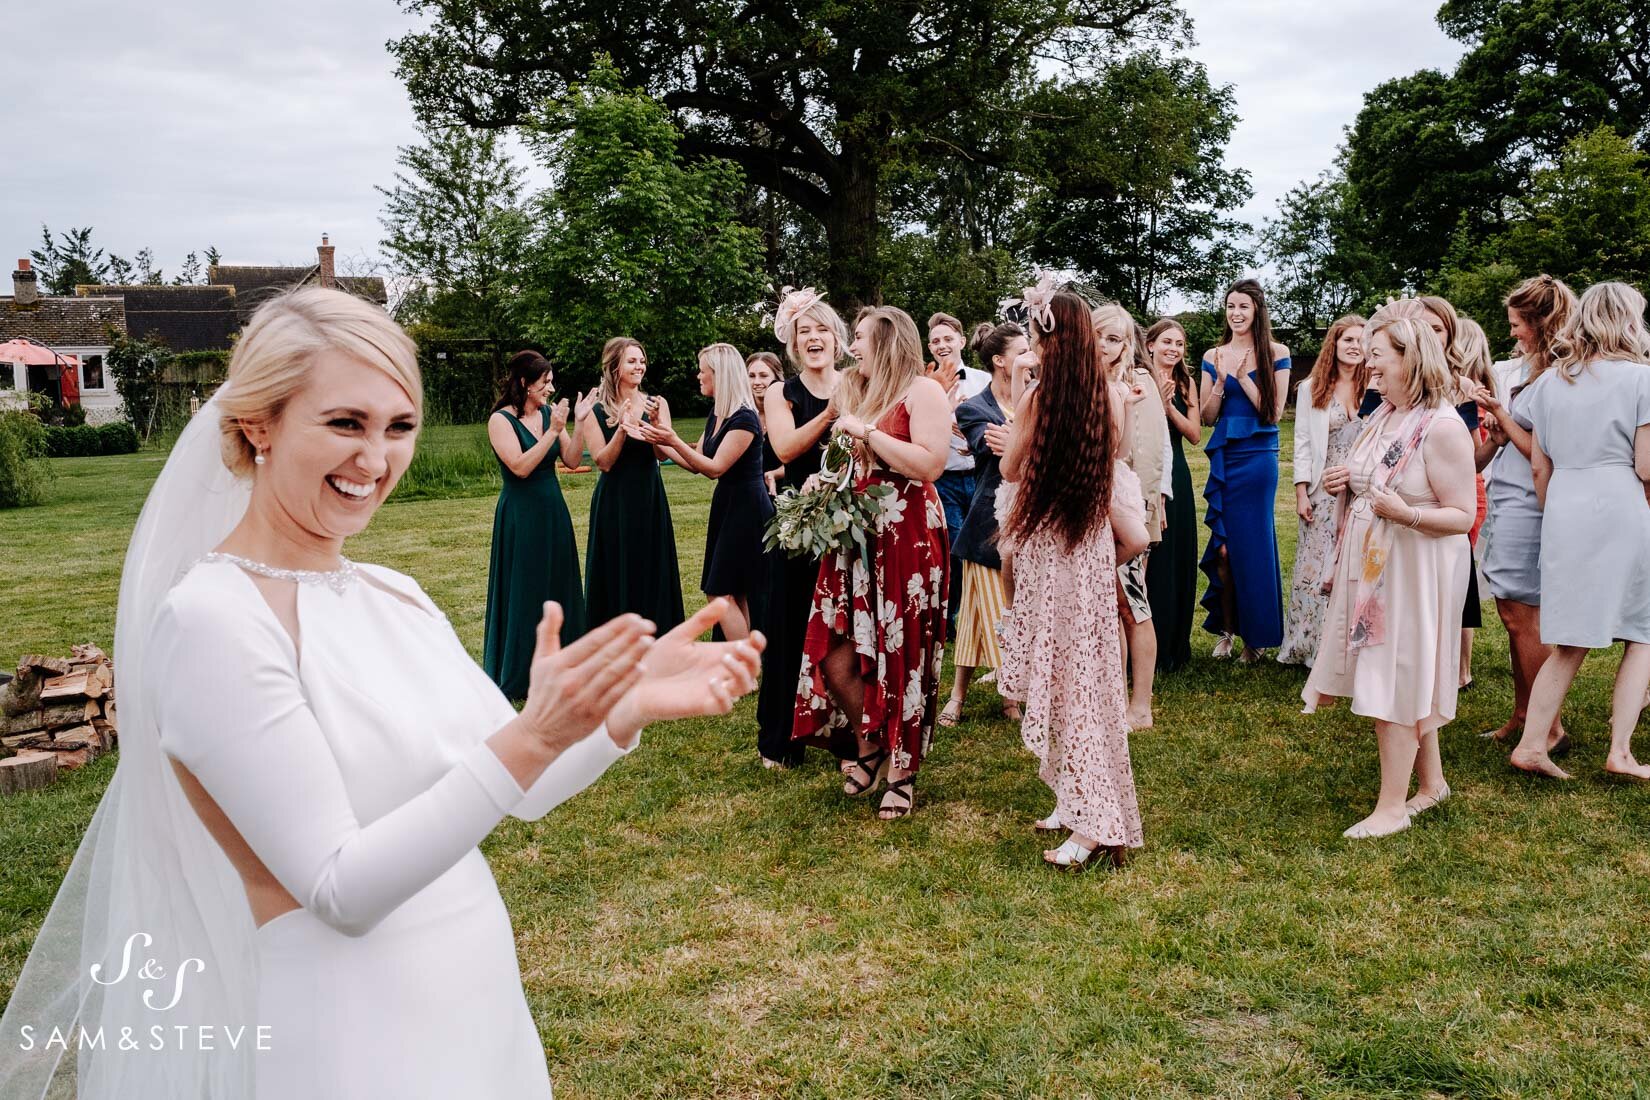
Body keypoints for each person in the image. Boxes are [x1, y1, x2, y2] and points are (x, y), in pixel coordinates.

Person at [0, 287, 765, 1099]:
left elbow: (519, 790)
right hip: (353, 1038)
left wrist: (623, 709)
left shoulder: (393, 592)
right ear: (258, 422)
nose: (376, 460)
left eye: (398, 427)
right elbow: (338, 887)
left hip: (479, 1005)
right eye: (345, 423)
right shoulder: (212, 621)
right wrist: (532, 736)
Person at [1303, 312, 1476, 839]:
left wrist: (1406, 514)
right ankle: (1432, 784)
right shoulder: (1387, 415)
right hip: (1378, 561)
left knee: (1398, 673)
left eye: (1379, 354)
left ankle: (1391, 808)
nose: (1368, 363)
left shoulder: (1443, 427)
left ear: (1410, 358)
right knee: (1408, 670)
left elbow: (1463, 516)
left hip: (1416, 565)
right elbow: (1373, 475)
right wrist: (1346, 480)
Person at [997, 287, 1150, 871]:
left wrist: (1019, 390)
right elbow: (1113, 460)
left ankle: (1095, 825)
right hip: (1086, 552)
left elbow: (1011, 466)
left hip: (1051, 551)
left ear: (1048, 339)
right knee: (1082, 680)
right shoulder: (1109, 397)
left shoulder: (1037, 398)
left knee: (1073, 684)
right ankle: (1073, 796)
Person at [793, 306, 951, 820]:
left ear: (884, 340)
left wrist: (869, 435)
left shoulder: (921, 390)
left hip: (908, 535)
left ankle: (902, 773)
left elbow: (930, 463)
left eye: (858, 337)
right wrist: (825, 479)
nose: (850, 346)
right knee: (835, 649)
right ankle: (873, 741)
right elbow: (846, 462)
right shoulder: (856, 393)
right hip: (855, 534)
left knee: (900, 652)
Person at [1506, 282, 1650, 781]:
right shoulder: (1641, 381)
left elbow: (1539, 467)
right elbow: (1647, 466)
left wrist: (1558, 513)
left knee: (1568, 639)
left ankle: (1531, 744)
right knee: (1643, 633)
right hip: (1619, 501)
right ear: (1631, 321)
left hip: (1564, 506)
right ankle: (1621, 751)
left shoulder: (1549, 383)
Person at [1474, 275, 1578, 752]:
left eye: (1518, 324)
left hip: (1531, 506)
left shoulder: (1561, 375)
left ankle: (1548, 727)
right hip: (1508, 497)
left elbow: (1544, 449)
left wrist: (1501, 412)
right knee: (1511, 612)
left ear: (1543, 324)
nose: (1512, 332)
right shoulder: (1530, 368)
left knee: (1523, 616)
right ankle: (1522, 713)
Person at [754, 288, 849, 769]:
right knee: (790, 629)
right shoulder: (781, 392)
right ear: (793, 345)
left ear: (837, 338)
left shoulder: (857, 381)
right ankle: (780, 738)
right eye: (803, 332)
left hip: (852, 523)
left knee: (848, 632)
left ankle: (850, 738)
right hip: (800, 524)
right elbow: (786, 449)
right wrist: (831, 416)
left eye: (821, 329)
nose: (814, 338)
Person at [642, 344, 774, 640]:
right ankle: (745, 666)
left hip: (748, 509)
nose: (698, 376)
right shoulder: (718, 413)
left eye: (703, 371)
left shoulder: (745, 418)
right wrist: (657, 437)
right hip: (727, 505)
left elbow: (715, 468)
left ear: (720, 375)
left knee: (718, 594)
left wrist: (673, 439)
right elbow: (696, 462)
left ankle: (742, 664)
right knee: (733, 592)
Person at [483, 351, 591, 699]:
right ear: (524, 384)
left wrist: (580, 424)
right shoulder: (500, 421)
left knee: (558, 584)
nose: (550, 388)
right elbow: (520, 466)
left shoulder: (548, 414)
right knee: (526, 588)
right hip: (521, 514)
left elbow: (572, 459)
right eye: (545, 383)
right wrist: (554, 430)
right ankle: (522, 674)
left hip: (552, 511)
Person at [1198, 278, 1291, 662]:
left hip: (1258, 458)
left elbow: (1274, 412)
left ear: (1256, 311)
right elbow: (1206, 416)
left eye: (1243, 307)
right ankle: (1227, 629)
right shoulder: (1212, 354)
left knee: (1253, 549)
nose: (1236, 314)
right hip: (1226, 457)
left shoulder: (1276, 352)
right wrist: (1220, 382)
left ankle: (1256, 638)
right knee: (1223, 550)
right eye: (1230, 306)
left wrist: (1241, 378)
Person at [943, 319, 1028, 726]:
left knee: (979, 615)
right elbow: (991, 449)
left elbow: (1019, 447)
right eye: (1022, 351)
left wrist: (1020, 439)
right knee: (993, 611)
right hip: (989, 523)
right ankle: (1003, 697)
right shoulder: (973, 407)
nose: (1032, 357)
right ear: (999, 361)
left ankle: (964, 695)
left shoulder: (1041, 399)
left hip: (1035, 519)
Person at [1278, 315, 1367, 667]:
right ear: (1335, 343)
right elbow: (1301, 442)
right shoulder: (1312, 387)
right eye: (1348, 340)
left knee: (1354, 564)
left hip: (1363, 486)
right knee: (1315, 567)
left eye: (1361, 340)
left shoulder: (1375, 386)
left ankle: (1350, 648)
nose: (1355, 346)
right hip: (1324, 487)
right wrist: (1302, 492)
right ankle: (1309, 646)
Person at [580, 337, 686, 633]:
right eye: (632, 361)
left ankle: (656, 634)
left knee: (651, 565)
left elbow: (662, 454)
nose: (639, 366)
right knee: (617, 567)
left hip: (649, 495)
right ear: (614, 366)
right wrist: (623, 431)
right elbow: (603, 462)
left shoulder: (657, 403)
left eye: (641, 360)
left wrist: (656, 428)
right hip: (615, 500)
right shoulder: (596, 410)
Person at [1095, 302, 1168, 728]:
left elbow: (1151, 451)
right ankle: (1108, 698)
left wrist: (1149, 509)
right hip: (1084, 505)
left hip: (1127, 503)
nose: (1104, 345)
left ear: (1126, 346)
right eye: (1099, 335)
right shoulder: (1077, 379)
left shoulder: (1138, 382)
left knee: (1132, 603)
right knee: (1103, 606)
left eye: (1114, 338)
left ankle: (1141, 704)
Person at [927, 311, 992, 632]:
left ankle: (980, 615)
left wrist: (976, 439)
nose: (942, 345)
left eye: (948, 339)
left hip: (981, 475)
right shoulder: (926, 384)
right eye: (936, 341)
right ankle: (951, 618)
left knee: (983, 545)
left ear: (962, 342)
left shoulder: (984, 380)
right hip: (945, 478)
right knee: (952, 548)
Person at [1144, 318, 1200, 672]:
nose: (1173, 350)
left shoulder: (1186, 382)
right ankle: (1151, 645)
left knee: (1178, 553)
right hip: (1148, 471)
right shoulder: (1138, 377)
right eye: (1167, 342)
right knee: (1154, 556)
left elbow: (1194, 434)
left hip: (1177, 471)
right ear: (1150, 344)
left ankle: (1176, 645)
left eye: (1179, 344)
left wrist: (1168, 408)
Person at [1451, 316, 1497, 689]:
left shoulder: (1472, 391)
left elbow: (1475, 453)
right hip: (1464, 488)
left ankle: (1463, 668)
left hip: (1469, 489)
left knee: (1460, 581)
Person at [747, 350, 786, 496]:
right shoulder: (742, 415)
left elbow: (803, 462)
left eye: (763, 376)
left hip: (784, 491)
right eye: (751, 376)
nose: (757, 382)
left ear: (777, 378)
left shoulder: (790, 413)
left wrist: (775, 473)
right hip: (749, 494)